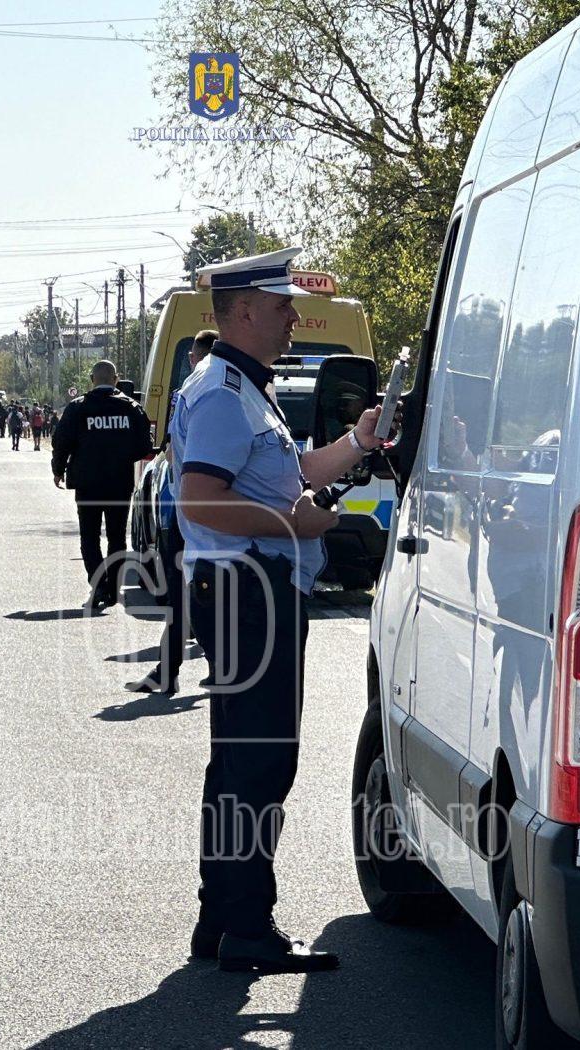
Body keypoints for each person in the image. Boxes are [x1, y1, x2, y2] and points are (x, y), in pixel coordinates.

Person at [171, 247, 382, 974]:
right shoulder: (226, 393)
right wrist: (298, 526)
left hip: (248, 589)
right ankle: (247, 930)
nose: (295, 315)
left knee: (241, 761)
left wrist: (359, 442)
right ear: (246, 311)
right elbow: (201, 500)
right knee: (258, 764)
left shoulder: (242, 388)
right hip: (248, 591)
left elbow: (290, 475)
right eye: (284, 304)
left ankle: (222, 920)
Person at [127, 328, 219, 695]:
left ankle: (182, 668)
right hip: (205, 511)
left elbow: (173, 451)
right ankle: (181, 667)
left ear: (196, 357)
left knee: (190, 594)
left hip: (183, 510)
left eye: (192, 358)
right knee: (198, 594)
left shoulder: (192, 392)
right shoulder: (247, 390)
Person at [51, 360, 153, 611]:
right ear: (116, 379)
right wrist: (120, 454)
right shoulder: (131, 408)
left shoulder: (78, 408)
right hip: (119, 482)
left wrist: (58, 470)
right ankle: (112, 588)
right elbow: (144, 446)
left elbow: (61, 441)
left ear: (91, 379)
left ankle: (98, 583)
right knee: (117, 537)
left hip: (88, 483)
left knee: (89, 535)